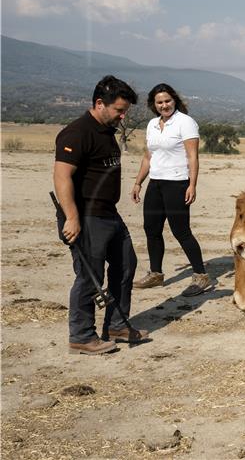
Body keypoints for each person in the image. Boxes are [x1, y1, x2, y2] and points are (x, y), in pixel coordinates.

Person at [54, 75, 150, 355]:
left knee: (125, 265)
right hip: (86, 216)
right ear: (99, 103)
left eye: (125, 111)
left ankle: (117, 325)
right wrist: (72, 218)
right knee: (89, 276)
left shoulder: (107, 131)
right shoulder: (77, 132)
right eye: (119, 110)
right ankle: (81, 336)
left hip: (109, 212)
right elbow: (62, 177)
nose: (122, 116)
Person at [131, 83, 214, 297]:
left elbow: (192, 157)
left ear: (174, 100)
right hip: (156, 183)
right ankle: (156, 274)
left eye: (167, 101)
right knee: (151, 229)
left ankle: (201, 276)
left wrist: (192, 184)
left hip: (177, 183)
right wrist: (139, 181)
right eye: (159, 102)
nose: (164, 105)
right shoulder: (151, 124)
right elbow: (149, 157)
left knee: (181, 231)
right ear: (154, 104)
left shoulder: (185, 123)